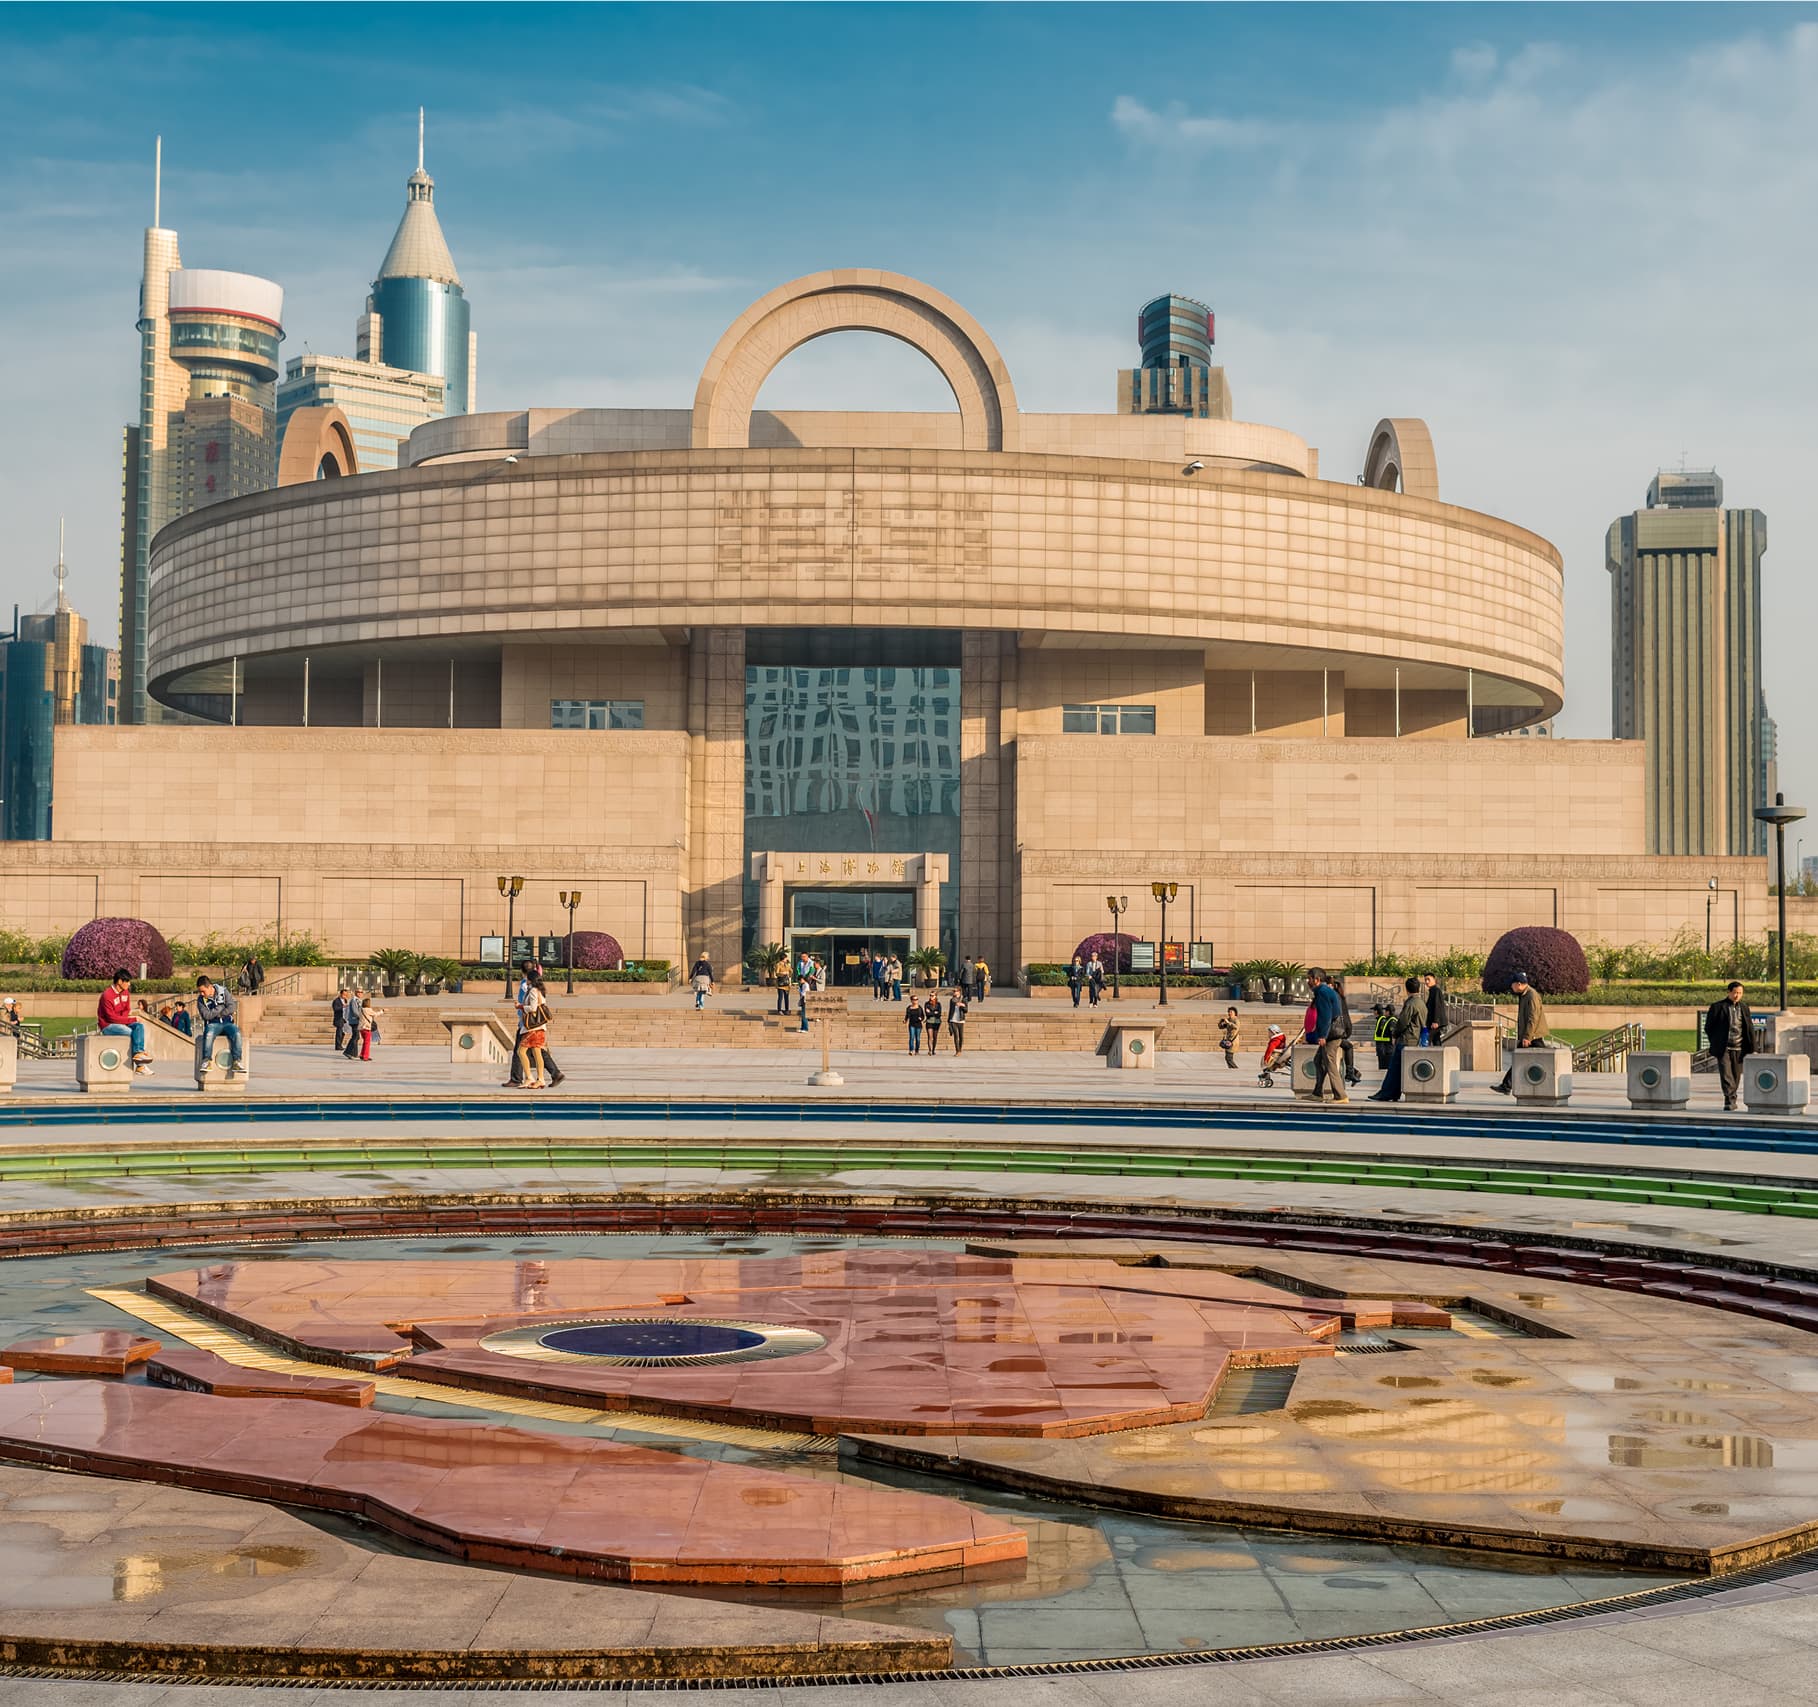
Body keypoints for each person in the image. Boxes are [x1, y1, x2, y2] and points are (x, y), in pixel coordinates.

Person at [1704, 980, 1758, 1112]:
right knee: (1726, 1074)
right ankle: (1729, 1100)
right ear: (1728, 992)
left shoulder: (1744, 1008)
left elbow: (1749, 1028)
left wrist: (1753, 1048)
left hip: (1740, 1048)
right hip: (1724, 1048)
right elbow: (1708, 1027)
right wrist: (1716, 1041)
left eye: (1740, 993)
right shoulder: (1717, 1007)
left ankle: (1732, 1097)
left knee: (1736, 1076)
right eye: (1735, 992)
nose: (1737, 995)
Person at [1371, 978, 1427, 1102]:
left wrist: (1395, 1034)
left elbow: (1403, 1022)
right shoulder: (1421, 1003)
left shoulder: (1411, 1003)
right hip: (1416, 1038)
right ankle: (1394, 1093)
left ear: (1407, 989)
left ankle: (1386, 1093)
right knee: (1400, 1068)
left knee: (1394, 1067)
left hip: (1406, 1038)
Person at [1493, 972, 1549, 1094]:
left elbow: (1533, 1018)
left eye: (1512, 984)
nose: (1511, 987)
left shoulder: (1531, 996)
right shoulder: (1524, 995)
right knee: (1521, 1060)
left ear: (1519, 984)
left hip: (1533, 1036)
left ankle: (1506, 1086)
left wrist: (1527, 1036)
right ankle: (1506, 1085)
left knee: (1543, 1061)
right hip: (1529, 1035)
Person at [97, 970, 154, 1074]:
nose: (129, 984)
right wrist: (131, 1019)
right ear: (119, 981)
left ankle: (139, 1055)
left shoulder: (126, 992)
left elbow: (127, 1009)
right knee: (131, 1032)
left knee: (139, 1027)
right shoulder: (107, 995)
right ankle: (140, 1065)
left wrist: (124, 1020)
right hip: (108, 1025)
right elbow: (111, 1018)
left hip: (121, 1022)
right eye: (127, 981)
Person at [1305, 968, 1348, 1104]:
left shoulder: (1322, 992)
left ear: (1317, 980)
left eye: (1309, 979)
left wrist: (1322, 1035)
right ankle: (1317, 1093)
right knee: (1318, 1061)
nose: (1308, 981)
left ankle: (1340, 1095)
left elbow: (1325, 1015)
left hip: (1331, 1034)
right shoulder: (1325, 991)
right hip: (1331, 1032)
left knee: (1329, 1062)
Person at [193, 976, 246, 1078]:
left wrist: (220, 1014)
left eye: (203, 991)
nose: (201, 994)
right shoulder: (200, 1000)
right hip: (212, 1025)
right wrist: (220, 1008)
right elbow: (206, 1015)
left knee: (237, 1033)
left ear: (210, 987)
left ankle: (237, 1061)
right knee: (208, 1033)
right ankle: (206, 1060)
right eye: (200, 991)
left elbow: (232, 1007)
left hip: (227, 1023)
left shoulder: (223, 992)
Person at [514, 975, 551, 1089]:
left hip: (533, 1028)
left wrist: (520, 1006)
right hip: (539, 1027)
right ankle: (540, 1079)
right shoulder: (540, 990)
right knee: (537, 1053)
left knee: (521, 1051)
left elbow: (533, 1008)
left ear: (531, 979)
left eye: (527, 978)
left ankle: (529, 1077)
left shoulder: (534, 990)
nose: (526, 980)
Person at [1333, 975, 1362, 1087]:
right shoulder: (1341, 996)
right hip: (1344, 1029)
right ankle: (1352, 1071)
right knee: (1345, 1047)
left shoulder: (1335, 997)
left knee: (1346, 1046)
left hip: (1339, 1030)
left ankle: (1351, 1072)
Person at [1422, 973, 1447, 1048]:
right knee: (1436, 1040)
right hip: (1433, 1022)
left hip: (1435, 1022)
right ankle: (1439, 1052)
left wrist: (1436, 1021)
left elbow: (1437, 1006)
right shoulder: (1432, 991)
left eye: (1428, 979)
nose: (1426, 982)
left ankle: (1437, 1053)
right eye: (1425, 980)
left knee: (1430, 1039)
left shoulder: (1436, 991)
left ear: (1434, 980)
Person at [1371, 1002, 1395, 1071]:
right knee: (1383, 1063)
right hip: (1383, 1045)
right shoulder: (1382, 1019)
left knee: (1385, 1065)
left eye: (1386, 1011)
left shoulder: (1384, 1020)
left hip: (1385, 1045)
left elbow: (1391, 1032)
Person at [947, 988, 969, 1054]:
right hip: (953, 1019)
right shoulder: (952, 1000)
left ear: (959, 992)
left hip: (960, 1020)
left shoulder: (963, 999)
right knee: (956, 1036)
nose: (954, 992)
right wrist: (949, 1020)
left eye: (955, 991)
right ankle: (957, 1051)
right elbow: (950, 1010)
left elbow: (966, 1010)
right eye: (953, 991)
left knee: (961, 1036)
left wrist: (962, 1005)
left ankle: (960, 1048)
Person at [922, 990, 943, 1056]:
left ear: (935, 996)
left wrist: (931, 1012)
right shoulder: (927, 1003)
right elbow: (927, 1014)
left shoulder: (938, 1004)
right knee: (930, 1036)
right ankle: (930, 1050)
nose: (931, 997)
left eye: (932, 995)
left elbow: (939, 1014)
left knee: (935, 1037)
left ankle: (933, 1050)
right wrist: (934, 1012)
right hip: (929, 1021)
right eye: (930, 995)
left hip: (936, 1022)